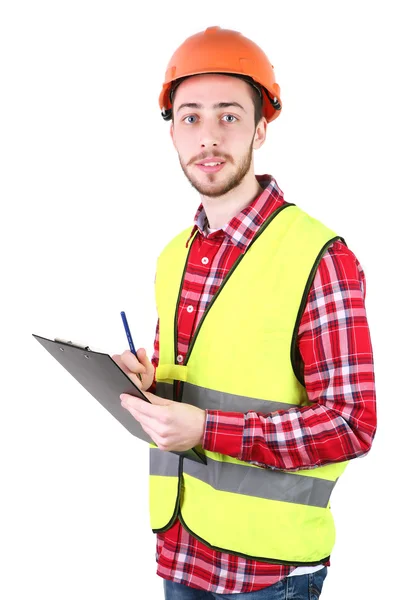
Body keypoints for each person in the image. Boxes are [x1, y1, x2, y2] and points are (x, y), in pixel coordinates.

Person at [112, 26, 377, 599]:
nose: (207, 137)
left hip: (268, 573)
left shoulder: (319, 257)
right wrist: (147, 379)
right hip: (181, 551)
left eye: (228, 117)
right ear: (173, 133)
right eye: (190, 118)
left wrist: (207, 430)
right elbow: (208, 377)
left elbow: (353, 424)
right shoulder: (173, 255)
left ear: (260, 128)